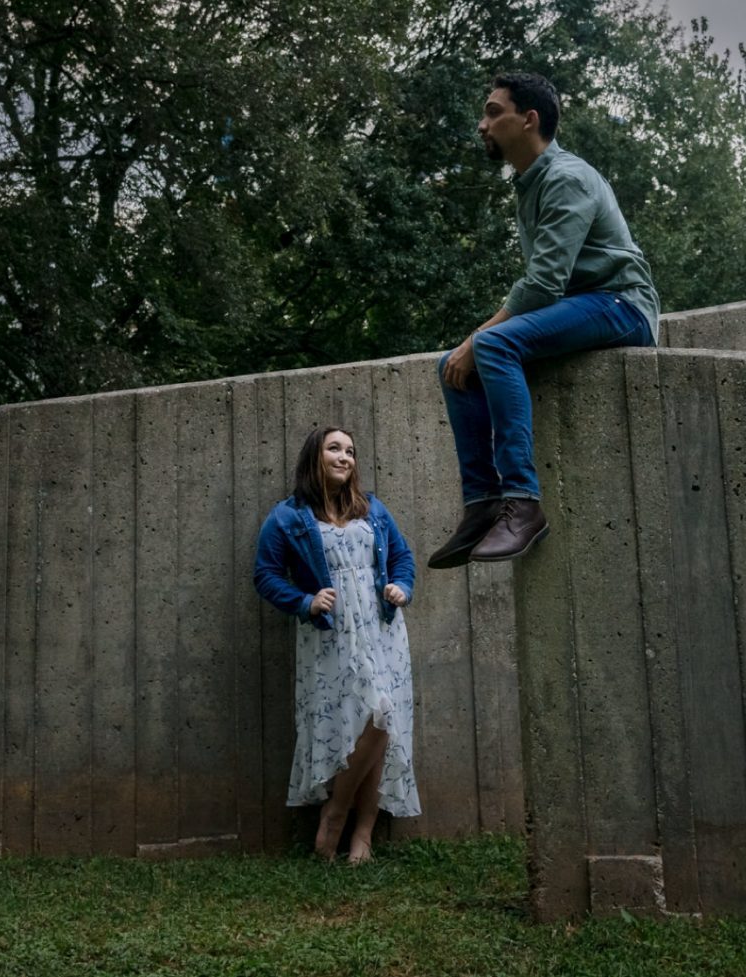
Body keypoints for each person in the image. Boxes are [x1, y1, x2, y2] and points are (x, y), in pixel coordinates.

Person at [430, 72, 660, 568]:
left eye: (494, 112)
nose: (481, 124)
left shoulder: (566, 178)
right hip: (581, 307)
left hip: (621, 305)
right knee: (451, 365)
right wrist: (469, 346)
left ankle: (523, 503)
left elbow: (543, 283)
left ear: (529, 119)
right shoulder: (530, 183)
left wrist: (479, 336)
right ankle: (483, 505)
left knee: (488, 347)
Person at [253, 426, 420, 861]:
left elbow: (402, 557)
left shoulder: (373, 510)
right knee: (358, 722)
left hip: (381, 628)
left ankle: (355, 826)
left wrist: (402, 586)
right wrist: (305, 601)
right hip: (330, 634)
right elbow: (265, 575)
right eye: (334, 449)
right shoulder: (287, 517)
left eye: (350, 451)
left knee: (382, 716)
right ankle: (338, 817)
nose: (345, 457)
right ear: (315, 457)